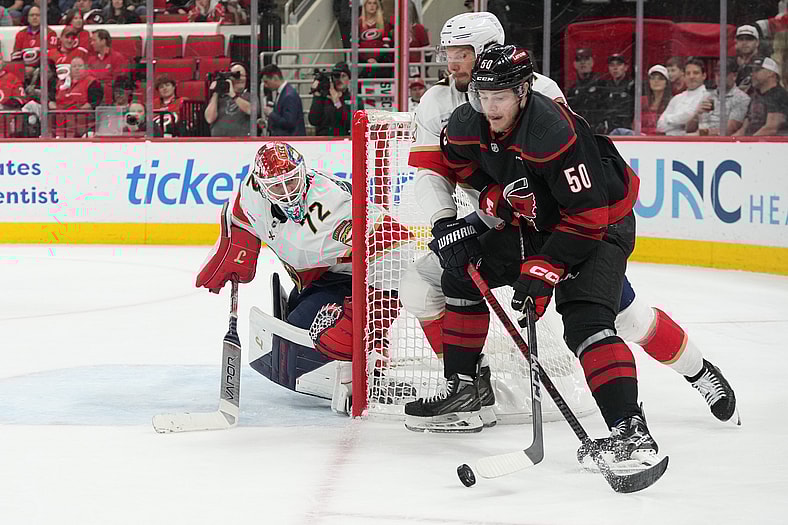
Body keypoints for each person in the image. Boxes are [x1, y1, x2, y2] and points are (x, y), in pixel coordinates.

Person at [401, 41, 738, 441]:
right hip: (535, 221)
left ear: (523, 92)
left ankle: (645, 419)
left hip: (598, 224)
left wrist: (543, 273)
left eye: (501, 97)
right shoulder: (466, 121)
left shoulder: (553, 129)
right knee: (459, 272)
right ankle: (466, 387)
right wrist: (490, 197)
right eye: (483, 95)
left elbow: (586, 215)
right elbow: (457, 163)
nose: (490, 107)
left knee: (596, 322)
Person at [195, 141, 414, 412]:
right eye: (277, 186)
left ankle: (372, 352)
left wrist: (369, 309)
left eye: (292, 181)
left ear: (304, 172)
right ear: (261, 185)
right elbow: (237, 214)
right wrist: (235, 250)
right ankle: (342, 330)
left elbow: (399, 243)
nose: (287, 193)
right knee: (294, 336)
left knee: (304, 342)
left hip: (355, 280)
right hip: (318, 277)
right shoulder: (252, 191)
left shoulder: (335, 204)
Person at [686, 57, 750, 136]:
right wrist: (697, 114)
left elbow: (730, 130)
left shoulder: (741, 98)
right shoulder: (708, 95)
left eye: (724, 74)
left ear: (734, 76)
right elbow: (688, 129)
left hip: (721, 142)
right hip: (701, 138)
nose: (719, 77)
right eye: (717, 74)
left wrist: (700, 134)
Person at [735, 57, 788, 136]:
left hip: (771, 145)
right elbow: (745, 127)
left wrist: (749, 142)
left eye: (757, 70)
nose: (752, 74)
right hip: (753, 143)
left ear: (770, 73)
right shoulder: (755, 96)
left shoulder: (779, 95)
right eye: (752, 71)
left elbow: (771, 128)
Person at [657, 57, 708, 135]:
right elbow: (660, 126)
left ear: (704, 76)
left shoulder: (707, 96)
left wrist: (668, 119)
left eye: (696, 73)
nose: (691, 77)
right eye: (688, 73)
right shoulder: (677, 98)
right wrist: (681, 124)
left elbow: (689, 116)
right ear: (684, 76)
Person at [205, 62, 254, 137]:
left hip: (241, 142)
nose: (239, 79)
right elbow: (209, 118)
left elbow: (252, 111)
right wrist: (216, 92)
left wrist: (233, 95)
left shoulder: (250, 96)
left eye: (242, 76)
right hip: (219, 142)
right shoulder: (219, 97)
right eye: (236, 76)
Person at [308, 62, 356, 136]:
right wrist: (317, 96)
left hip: (343, 142)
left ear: (349, 79)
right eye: (337, 76)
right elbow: (313, 120)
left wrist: (337, 102)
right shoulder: (324, 98)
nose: (340, 79)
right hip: (323, 142)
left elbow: (352, 123)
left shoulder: (354, 99)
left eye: (343, 76)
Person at [261, 63, 305, 137]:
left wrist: (271, 114)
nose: (265, 85)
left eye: (266, 82)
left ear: (275, 78)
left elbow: (289, 123)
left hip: (291, 141)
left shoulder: (289, 96)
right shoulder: (284, 93)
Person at [597, 53, 635, 134]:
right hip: (609, 129)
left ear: (626, 67)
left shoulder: (632, 86)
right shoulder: (604, 86)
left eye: (619, 64)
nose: (615, 68)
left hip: (627, 129)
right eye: (612, 65)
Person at [566, 48, 603, 131]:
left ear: (592, 62)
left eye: (586, 59)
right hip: (579, 130)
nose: (583, 62)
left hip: (597, 130)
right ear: (575, 64)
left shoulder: (601, 85)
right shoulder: (572, 89)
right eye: (579, 60)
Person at [358, 0, 393, 77]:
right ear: (365, 6)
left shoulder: (384, 23)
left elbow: (387, 45)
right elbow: (355, 45)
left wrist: (377, 59)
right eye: (369, 3)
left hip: (381, 62)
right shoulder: (358, 23)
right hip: (363, 63)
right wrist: (366, 60)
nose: (372, 6)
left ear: (377, 6)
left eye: (374, 3)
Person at [641, 64, 671, 135]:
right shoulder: (642, 101)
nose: (656, 81)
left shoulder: (672, 102)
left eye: (660, 78)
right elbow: (635, 125)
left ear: (666, 83)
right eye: (653, 78)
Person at [735, 25, 762, 95]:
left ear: (757, 42)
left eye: (749, 39)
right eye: (741, 39)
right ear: (736, 42)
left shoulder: (764, 65)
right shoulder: (731, 63)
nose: (744, 42)